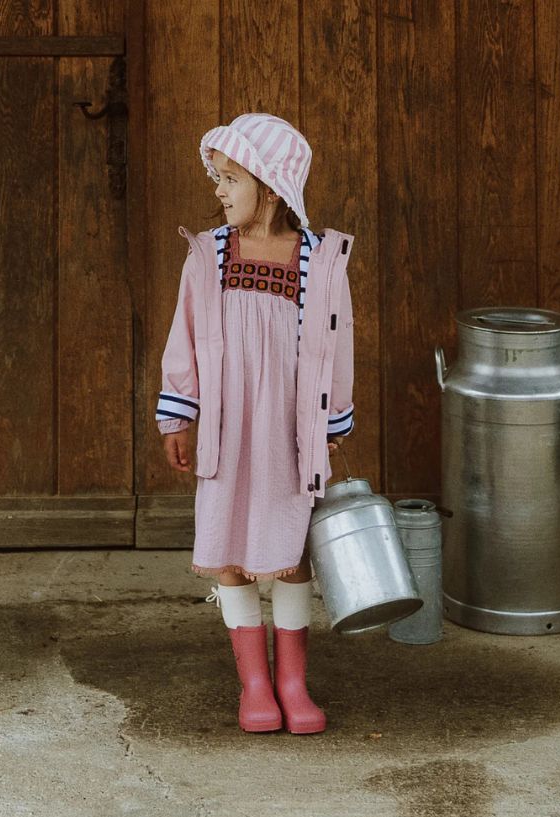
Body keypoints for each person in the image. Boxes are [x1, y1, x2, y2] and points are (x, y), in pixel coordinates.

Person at [155, 113, 355, 734]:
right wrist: (177, 415)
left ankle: (294, 681)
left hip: (289, 429)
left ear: (268, 186)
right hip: (224, 424)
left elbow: (338, 341)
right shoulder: (208, 255)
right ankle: (255, 685)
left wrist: (332, 420)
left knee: (291, 550)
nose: (218, 191)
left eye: (229, 178)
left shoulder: (319, 262)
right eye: (218, 178)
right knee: (231, 550)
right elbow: (183, 338)